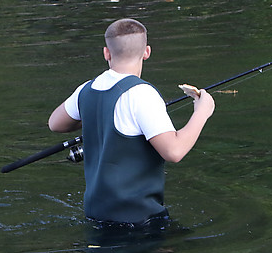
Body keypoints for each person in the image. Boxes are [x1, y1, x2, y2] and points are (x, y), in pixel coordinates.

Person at [48, 18, 215, 224]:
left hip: (95, 214)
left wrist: (98, 115)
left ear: (106, 53)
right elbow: (174, 151)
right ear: (147, 52)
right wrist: (202, 112)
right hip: (137, 222)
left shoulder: (86, 89)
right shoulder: (142, 94)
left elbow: (55, 123)